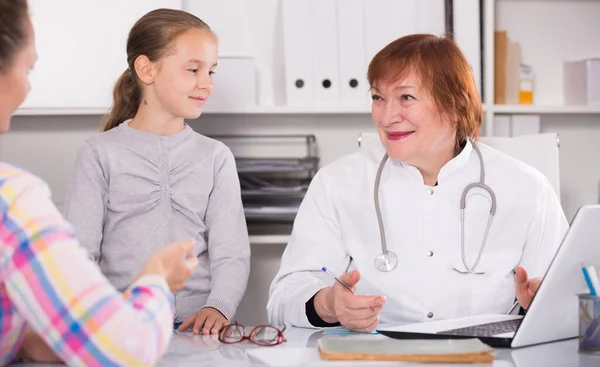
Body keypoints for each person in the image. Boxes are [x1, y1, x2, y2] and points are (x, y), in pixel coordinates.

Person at [267, 34, 569, 332]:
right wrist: (327, 304)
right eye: (377, 98)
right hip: (372, 357)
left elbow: (569, 305)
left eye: (406, 97)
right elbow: (282, 300)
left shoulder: (527, 189)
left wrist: (542, 307)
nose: (386, 118)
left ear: (455, 105)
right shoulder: (337, 183)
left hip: (486, 358)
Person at [0, 1, 199, 365]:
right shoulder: (11, 200)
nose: (27, 87)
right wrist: (155, 280)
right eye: (28, 68)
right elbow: (126, 351)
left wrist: (21, 340)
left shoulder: (213, 157)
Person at [63, 8, 250, 336]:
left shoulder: (216, 157)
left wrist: (218, 305)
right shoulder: (99, 154)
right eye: (193, 69)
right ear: (146, 69)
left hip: (197, 330)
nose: (206, 84)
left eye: (211, 72)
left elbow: (231, 251)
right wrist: (107, 316)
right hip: (119, 325)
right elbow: (80, 255)